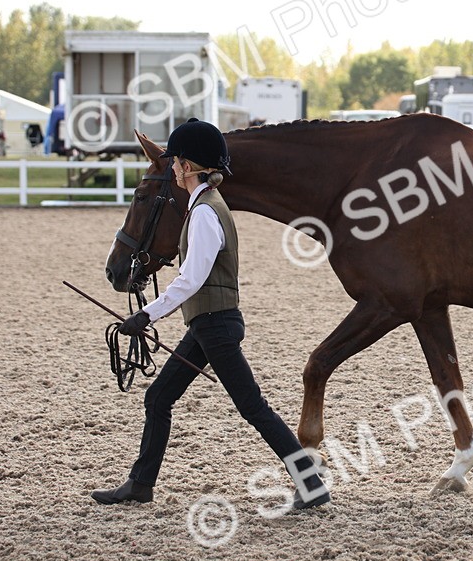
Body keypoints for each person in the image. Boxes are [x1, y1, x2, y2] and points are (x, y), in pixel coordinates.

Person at [91, 118, 330, 511]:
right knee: (158, 398)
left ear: (187, 166)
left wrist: (146, 316)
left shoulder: (204, 212)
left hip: (214, 326)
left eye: (175, 162)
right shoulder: (204, 206)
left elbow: (190, 280)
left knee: (253, 408)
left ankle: (311, 483)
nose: (171, 168)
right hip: (207, 324)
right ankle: (140, 483)